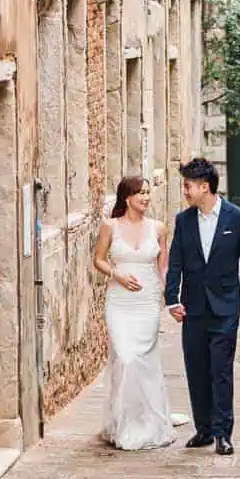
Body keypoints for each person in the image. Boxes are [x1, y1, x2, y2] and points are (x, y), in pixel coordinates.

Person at [164, 157, 240, 456]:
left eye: (188, 186)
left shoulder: (238, 218)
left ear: (205, 187)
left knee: (221, 370)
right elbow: (175, 261)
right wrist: (172, 299)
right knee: (196, 369)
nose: (185, 192)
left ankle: (222, 433)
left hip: (226, 306)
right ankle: (203, 429)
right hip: (193, 308)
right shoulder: (184, 220)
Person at [93, 175, 174, 452]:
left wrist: (171, 298)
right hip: (119, 301)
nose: (146, 198)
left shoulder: (159, 228)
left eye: (148, 192)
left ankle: (149, 421)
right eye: (141, 193)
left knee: (144, 360)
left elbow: (163, 268)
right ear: (127, 198)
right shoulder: (110, 226)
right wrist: (117, 275)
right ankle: (123, 422)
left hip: (147, 301)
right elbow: (99, 259)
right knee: (125, 357)